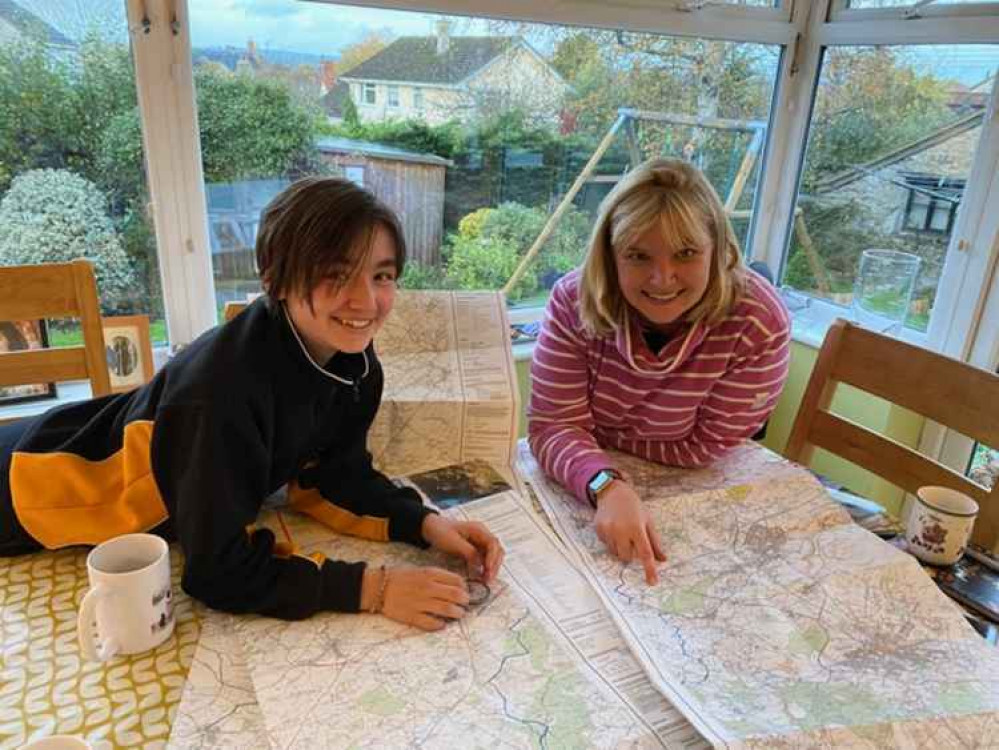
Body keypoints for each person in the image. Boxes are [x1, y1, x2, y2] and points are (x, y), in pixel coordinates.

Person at [0, 177, 503, 631]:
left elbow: (333, 477)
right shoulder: (220, 392)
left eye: (382, 275)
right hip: (30, 485)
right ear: (276, 280)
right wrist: (376, 589)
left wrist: (427, 525)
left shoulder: (353, 362)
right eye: (336, 274)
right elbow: (216, 571)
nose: (366, 302)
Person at [528, 158, 790, 585]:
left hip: (700, 500)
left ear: (718, 249)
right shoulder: (571, 300)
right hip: (596, 490)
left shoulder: (760, 320)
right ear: (610, 257)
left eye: (686, 253)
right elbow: (552, 426)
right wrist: (605, 483)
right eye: (637, 255)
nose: (662, 278)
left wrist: (597, 437)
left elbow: (704, 450)